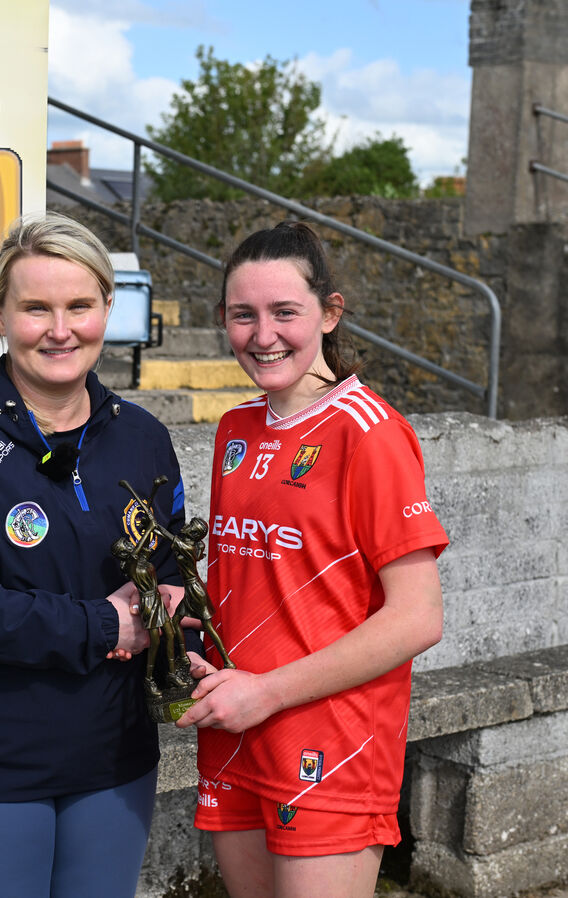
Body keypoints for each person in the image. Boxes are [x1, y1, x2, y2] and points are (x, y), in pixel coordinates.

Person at [0, 211, 188, 898]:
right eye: (36, 308)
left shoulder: (143, 437)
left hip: (115, 758)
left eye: (79, 306)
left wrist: (175, 614)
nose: (61, 330)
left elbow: (173, 569)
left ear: (106, 309)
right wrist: (104, 626)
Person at [179, 221, 448, 898]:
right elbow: (259, 580)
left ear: (329, 314)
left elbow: (417, 619)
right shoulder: (236, 429)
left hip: (330, 743)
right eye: (244, 315)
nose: (263, 334)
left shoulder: (372, 433)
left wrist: (265, 692)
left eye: (285, 312)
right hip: (235, 730)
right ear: (224, 322)